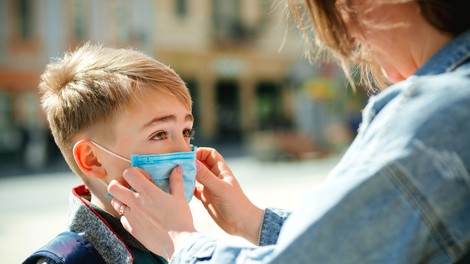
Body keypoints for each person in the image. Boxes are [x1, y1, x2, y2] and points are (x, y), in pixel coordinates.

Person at [108, 0, 470, 263]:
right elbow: (350, 248)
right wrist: (253, 221)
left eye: (339, 10)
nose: (350, 34)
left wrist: (179, 240)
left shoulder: (434, 116)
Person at [23, 43, 198, 264]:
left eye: (186, 131)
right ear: (92, 159)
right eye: (160, 134)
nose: (185, 151)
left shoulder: (162, 242)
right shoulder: (69, 260)